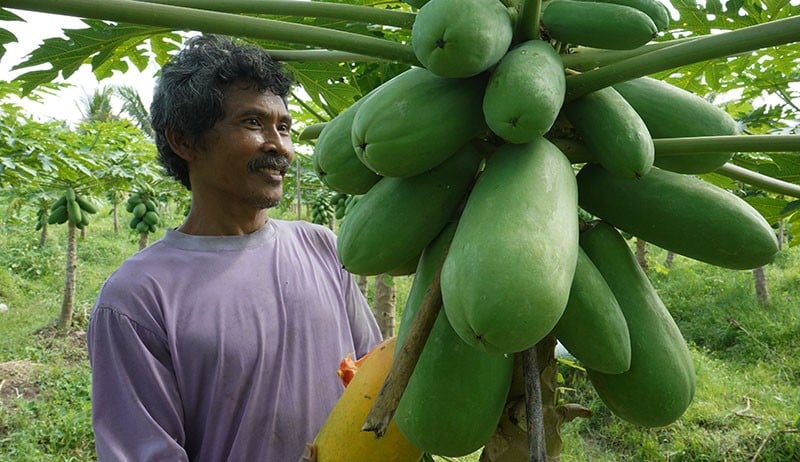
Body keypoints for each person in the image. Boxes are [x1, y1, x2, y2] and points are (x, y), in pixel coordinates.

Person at [87, 34, 382, 461]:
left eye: (283, 127)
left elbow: (370, 382)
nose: (278, 145)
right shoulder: (136, 297)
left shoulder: (323, 246)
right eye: (252, 123)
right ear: (184, 141)